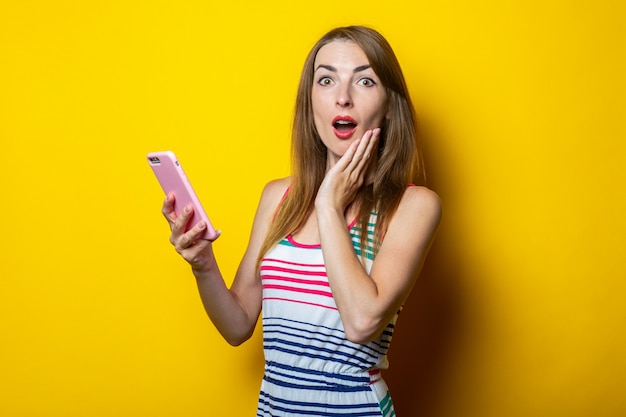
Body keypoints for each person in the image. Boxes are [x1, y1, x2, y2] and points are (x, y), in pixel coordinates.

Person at [162, 25, 441, 417]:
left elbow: (362, 322)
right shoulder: (279, 197)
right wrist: (203, 264)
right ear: (310, 102)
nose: (343, 97)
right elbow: (237, 325)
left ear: (390, 104)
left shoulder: (413, 206)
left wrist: (328, 204)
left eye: (364, 81)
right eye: (326, 80)